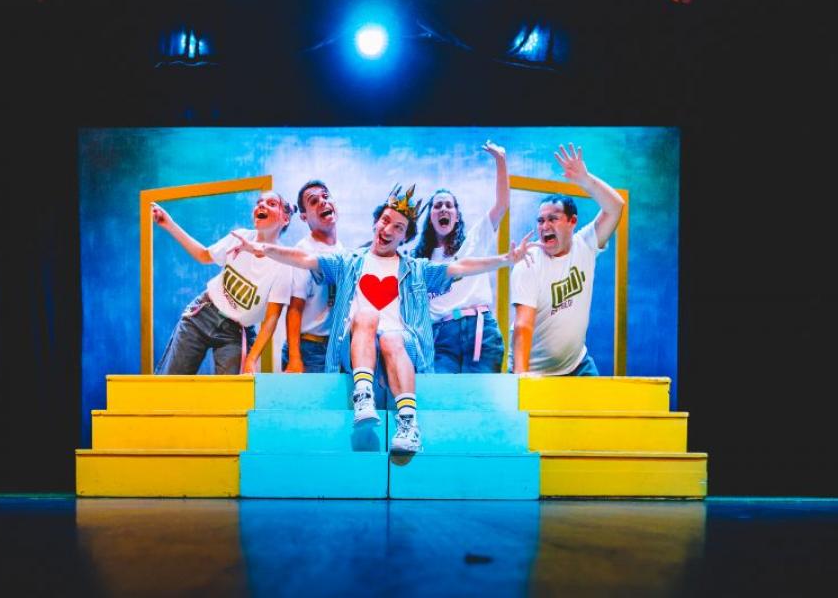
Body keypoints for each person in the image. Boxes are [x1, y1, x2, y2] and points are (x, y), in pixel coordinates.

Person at [229, 184, 538, 453]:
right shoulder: (348, 262)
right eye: (385, 221)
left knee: (391, 337)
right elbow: (305, 259)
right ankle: (363, 397)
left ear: (404, 237)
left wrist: (505, 259)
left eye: (398, 227)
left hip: (402, 347)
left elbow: (460, 267)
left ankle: (408, 424)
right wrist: (263, 248)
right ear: (376, 222)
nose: (388, 229)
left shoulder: (416, 269)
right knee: (365, 315)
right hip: (356, 345)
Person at [511, 143, 625, 375]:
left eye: (553, 219)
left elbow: (616, 207)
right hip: (536, 372)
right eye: (540, 221)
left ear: (572, 222)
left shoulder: (586, 244)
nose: (545, 226)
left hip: (577, 364)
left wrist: (585, 180)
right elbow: (522, 326)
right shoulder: (529, 263)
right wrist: (520, 381)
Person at [151, 191, 295, 375]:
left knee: (233, 390)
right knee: (172, 382)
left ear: (285, 219)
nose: (261, 205)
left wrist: (252, 359)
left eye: (272, 203)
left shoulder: (284, 264)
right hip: (204, 313)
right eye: (259, 202)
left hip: (236, 331)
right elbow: (203, 255)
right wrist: (169, 224)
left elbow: (272, 318)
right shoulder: (240, 236)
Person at [411, 140, 509, 372]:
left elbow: (502, 204)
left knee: (479, 393)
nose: (443, 209)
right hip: (441, 336)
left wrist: (500, 161)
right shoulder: (419, 261)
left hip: (479, 329)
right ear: (430, 217)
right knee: (443, 393)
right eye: (437, 206)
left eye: (449, 205)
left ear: (456, 216)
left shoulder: (474, 240)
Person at [282, 180, 345, 373]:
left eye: (326, 196)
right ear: (304, 217)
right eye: (313, 201)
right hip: (309, 348)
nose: (323, 202)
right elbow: (294, 308)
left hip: (336, 348)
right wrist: (295, 358)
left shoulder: (342, 251)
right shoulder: (303, 252)